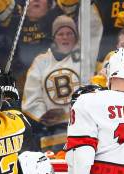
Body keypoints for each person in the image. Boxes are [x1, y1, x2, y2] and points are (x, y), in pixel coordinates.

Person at [22, 15, 80, 154]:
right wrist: (44, 114)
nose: (65, 37)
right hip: (51, 135)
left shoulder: (84, 59)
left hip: (81, 129)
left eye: (69, 33)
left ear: (75, 36)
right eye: (60, 34)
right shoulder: (41, 61)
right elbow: (31, 98)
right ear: (54, 37)